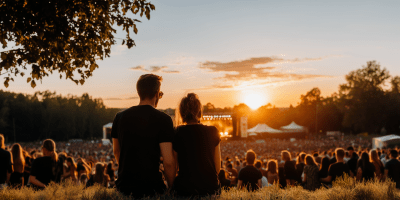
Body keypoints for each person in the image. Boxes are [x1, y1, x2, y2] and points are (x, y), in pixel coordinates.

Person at [112, 74, 176, 198]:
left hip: (124, 187)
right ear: (157, 93)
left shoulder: (119, 117)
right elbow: (168, 161)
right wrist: (172, 189)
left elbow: (116, 151)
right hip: (152, 188)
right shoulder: (164, 120)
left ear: (139, 92)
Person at [173, 93, 221, 196]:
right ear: (199, 111)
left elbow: (174, 167)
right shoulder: (213, 131)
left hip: (185, 189)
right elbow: (217, 167)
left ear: (181, 112)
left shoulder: (177, 132)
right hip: (211, 189)